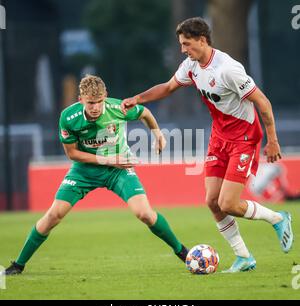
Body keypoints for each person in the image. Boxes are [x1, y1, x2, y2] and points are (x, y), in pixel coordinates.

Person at [121, 17, 294, 272]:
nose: (183, 50)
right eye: (181, 44)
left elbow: (263, 102)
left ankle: (278, 218)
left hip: (244, 138)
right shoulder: (191, 65)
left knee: (228, 204)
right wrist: (138, 98)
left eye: (187, 44)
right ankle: (244, 257)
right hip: (219, 137)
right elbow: (168, 87)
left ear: (202, 40)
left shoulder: (228, 69)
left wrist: (273, 140)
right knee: (212, 201)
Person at [4, 75, 188, 275]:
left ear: (105, 97)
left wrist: (158, 135)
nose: (96, 107)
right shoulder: (69, 118)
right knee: (53, 215)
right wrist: (109, 160)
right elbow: (72, 153)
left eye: (99, 101)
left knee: (144, 213)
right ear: (80, 99)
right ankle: (18, 265)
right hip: (85, 171)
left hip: (118, 170)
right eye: (91, 102)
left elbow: (145, 112)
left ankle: (183, 252)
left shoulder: (117, 109)